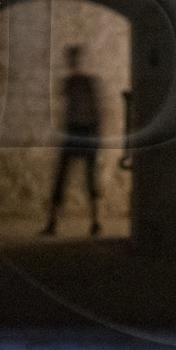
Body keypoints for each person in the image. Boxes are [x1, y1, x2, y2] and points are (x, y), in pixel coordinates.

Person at [41, 46, 102, 237]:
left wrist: (96, 136)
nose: (72, 63)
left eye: (73, 59)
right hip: (76, 131)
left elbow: (97, 111)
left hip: (85, 132)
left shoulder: (85, 82)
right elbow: (69, 110)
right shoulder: (70, 83)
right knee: (63, 178)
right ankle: (54, 223)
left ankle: (95, 223)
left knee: (88, 179)